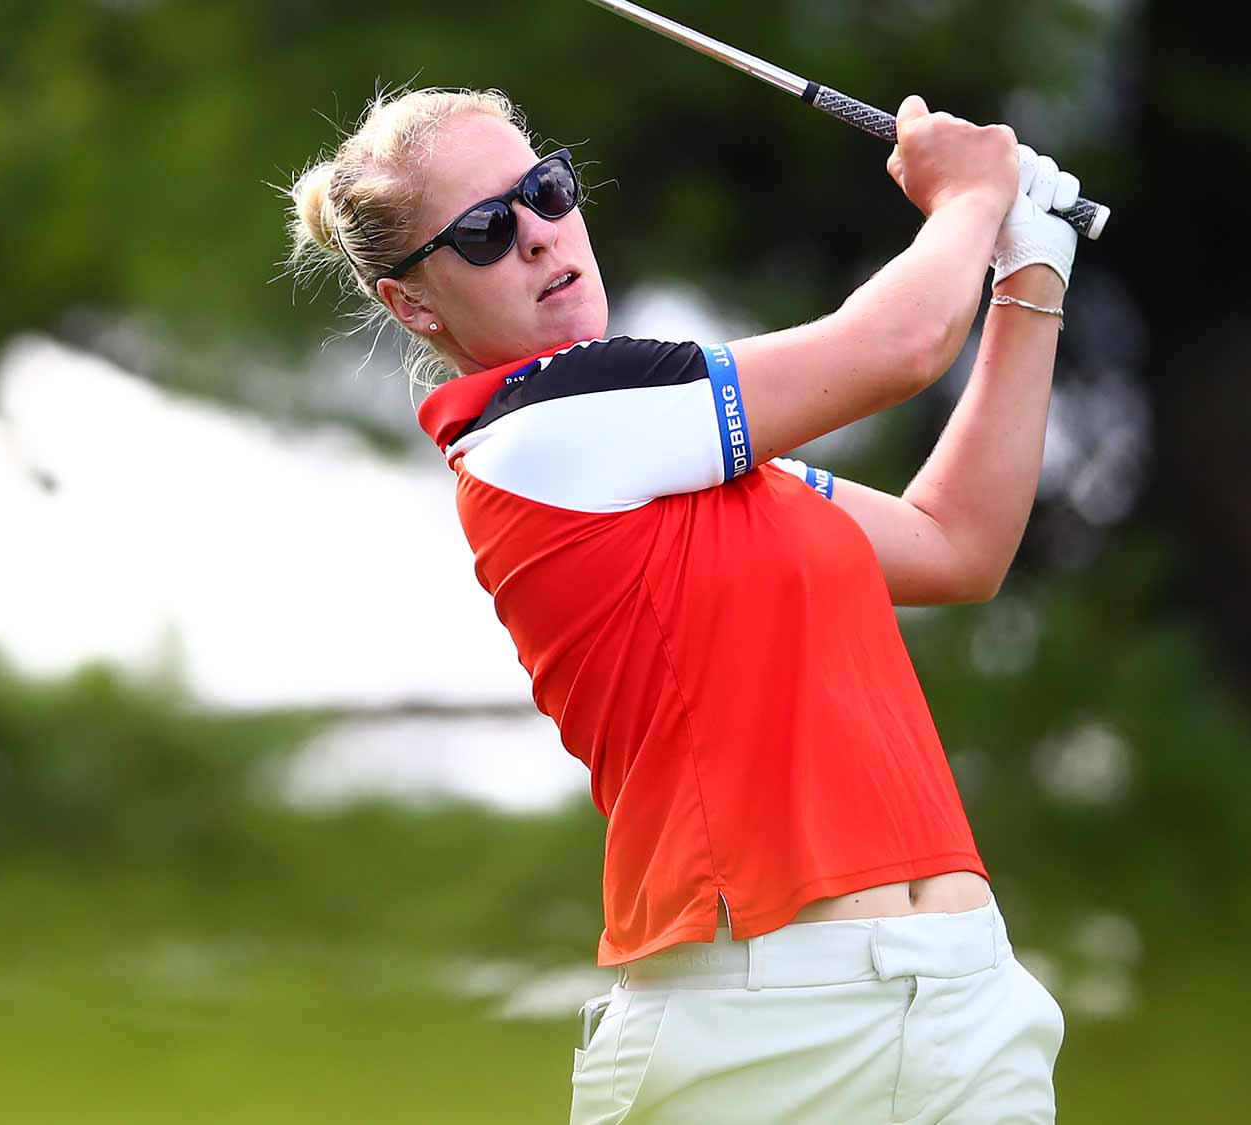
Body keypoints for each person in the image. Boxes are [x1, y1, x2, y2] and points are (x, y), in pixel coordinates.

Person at [285, 85, 1081, 1123]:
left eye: (544, 190)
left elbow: (956, 544)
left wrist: (1029, 273)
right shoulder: (540, 433)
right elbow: (898, 346)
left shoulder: (706, 462)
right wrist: (971, 196)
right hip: (753, 1029)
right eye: (482, 232)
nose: (534, 234)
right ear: (413, 305)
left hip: (966, 1001)